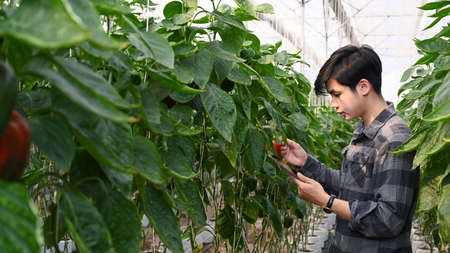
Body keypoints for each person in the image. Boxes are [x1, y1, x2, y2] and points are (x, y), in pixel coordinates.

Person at [280, 45, 420, 253]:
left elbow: (388, 219)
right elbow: (350, 186)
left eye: (337, 94)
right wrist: (305, 163)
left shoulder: (395, 138)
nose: (333, 104)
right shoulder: (365, 129)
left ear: (363, 86)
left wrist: (327, 201)